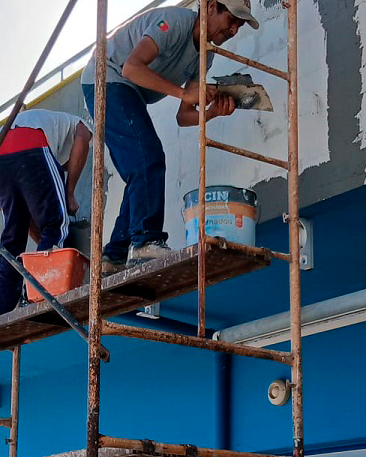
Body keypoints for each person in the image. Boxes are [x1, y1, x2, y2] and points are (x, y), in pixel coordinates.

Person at [81, 0, 259, 272]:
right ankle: (145, 242)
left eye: (239, 25)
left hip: (130, 91)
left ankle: (114, 256)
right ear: (211, 7)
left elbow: (183, 116)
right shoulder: (175, 22)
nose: (234, 30)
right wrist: (183, 92)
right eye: (232, 20)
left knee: (142, 168)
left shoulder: (205, 56)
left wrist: (212, 112)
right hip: (107, 76)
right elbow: (131, 67)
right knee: (148, 158)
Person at [0, 109, 92, 316]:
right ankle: (40, 294)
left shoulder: (50, 125)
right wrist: (69, 193)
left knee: (13, 235)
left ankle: (2, 308)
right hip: (29, 139)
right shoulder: (80, 124)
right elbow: (83, 139)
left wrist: (42, 249)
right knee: (56, 223)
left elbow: (30, 221)